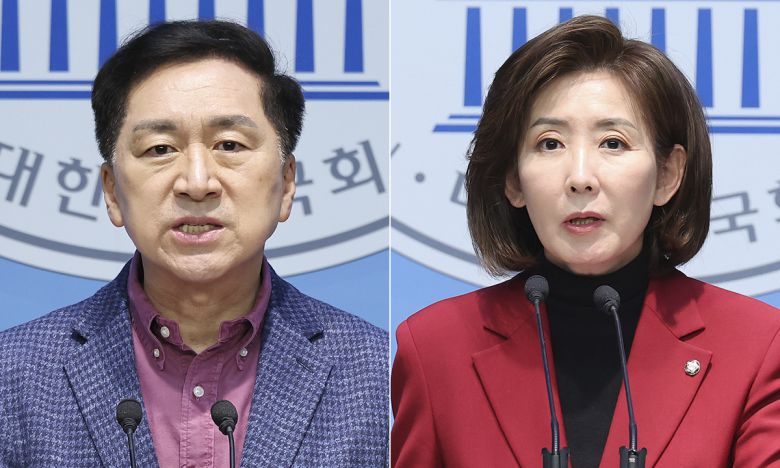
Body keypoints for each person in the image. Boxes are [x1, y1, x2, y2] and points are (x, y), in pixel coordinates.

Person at [391, 15, 780, 467]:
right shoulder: (436, 348)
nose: (580, 178)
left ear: (667, 175)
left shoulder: (756, 345)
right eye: (550, 143)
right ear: (513, 179)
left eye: (612, 143)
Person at [0, 20, 388, 467]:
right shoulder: (15, 375)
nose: (197, 183)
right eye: (161, 149)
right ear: (112, 192)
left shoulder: (374, 374)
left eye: (230, 145)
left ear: (286, 185)